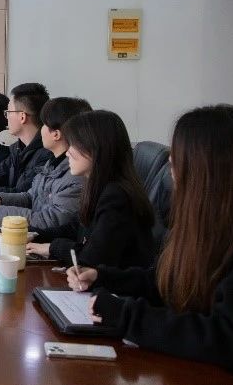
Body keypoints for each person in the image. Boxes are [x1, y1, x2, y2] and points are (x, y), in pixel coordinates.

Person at [69, 105, 233, 385]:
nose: (170, 163)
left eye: (178, 157)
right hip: (192, 373)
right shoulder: (202, 222)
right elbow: (165, 281)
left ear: (206, 167)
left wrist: (128, 316)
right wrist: (102, 277)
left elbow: (227, 338)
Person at [27, 110, 154, 267]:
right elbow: (77, 228)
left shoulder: (116, 196)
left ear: (95, 148)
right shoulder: (98, 186)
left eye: (73, 145)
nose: (67, 152)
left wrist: (52, 248)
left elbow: (92, 258)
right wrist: (35, 235)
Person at [0, 97, 91, 229]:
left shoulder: (75, 175)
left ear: (56, 134)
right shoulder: (52, 162)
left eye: (44, 125)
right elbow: (31, 197)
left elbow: (51, 220)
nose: (40, 130)